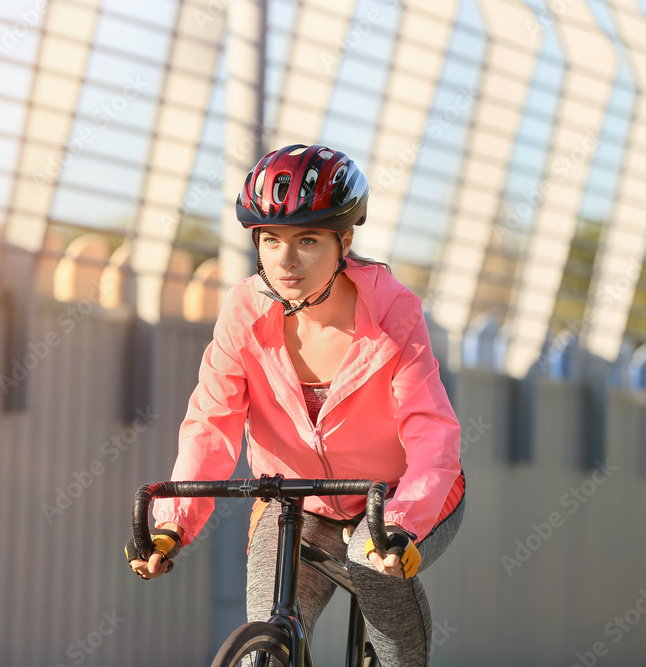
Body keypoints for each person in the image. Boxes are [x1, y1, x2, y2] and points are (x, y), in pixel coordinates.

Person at [126, 144, 465, 666]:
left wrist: (402, 522)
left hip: (397, 496)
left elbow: (432, 435)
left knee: (372, 564)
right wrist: (172, 524)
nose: (285, 261)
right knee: (268, 630)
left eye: (307, 240)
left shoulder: (393, 310)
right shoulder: (244, 311)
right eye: (270, 239)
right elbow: (208, 427)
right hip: (297, 500)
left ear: (343, 241)